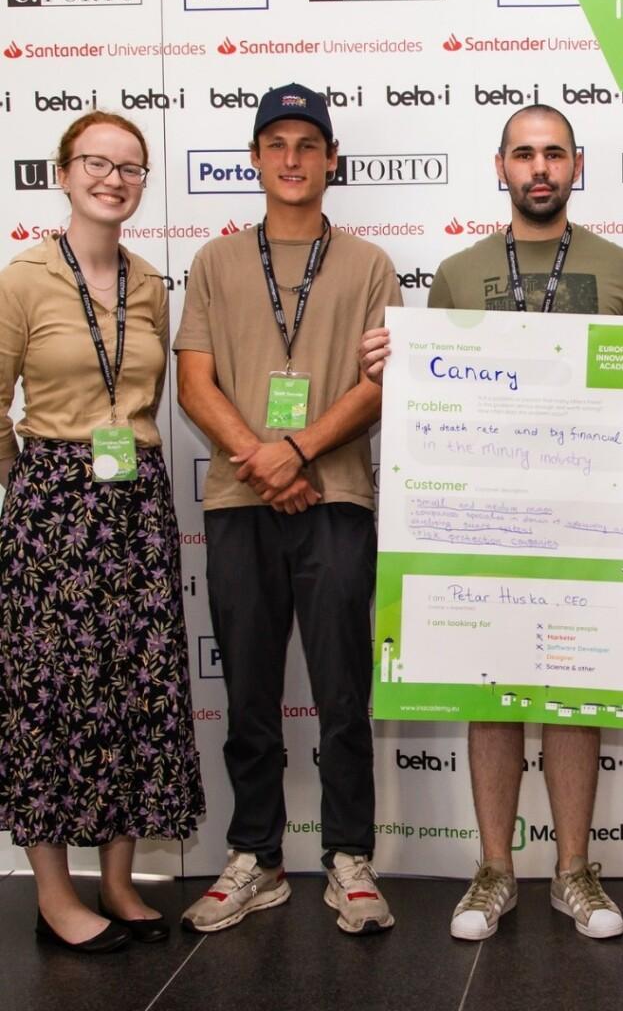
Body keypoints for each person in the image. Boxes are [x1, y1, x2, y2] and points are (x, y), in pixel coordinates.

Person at [359, 104, 623, 942]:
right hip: (483, 519)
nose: (539, 168)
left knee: (577, 692)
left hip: (589, 521)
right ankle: (493, 870)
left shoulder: (619, 268)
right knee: (491, 689)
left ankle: (574, 872)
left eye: (554, 154)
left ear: (576, 166)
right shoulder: (458, 270)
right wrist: (389, 371)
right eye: (525, 154)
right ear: (500, 167)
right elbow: (431, 393)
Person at [174, 84, 399, 935]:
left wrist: (297, 451)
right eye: (277, 143)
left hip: (336, 497)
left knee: (344, 691)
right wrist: (266, 462)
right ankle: (256, 858)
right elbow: (196, 382)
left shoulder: (371, 264)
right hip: (239, 498)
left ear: (332, 159)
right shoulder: (214, 262)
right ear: (257, 158)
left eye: (309, 143)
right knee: (249, 693)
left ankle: (349, 857)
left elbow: (382, 383)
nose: (293, 158)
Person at [0, 111, 204, 953]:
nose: (113, 179)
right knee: (51, 699)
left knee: (137, 691)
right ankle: (55, 896)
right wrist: (35, 482)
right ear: (63, 172)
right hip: (54, 512)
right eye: (96, 163)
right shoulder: (23, 280)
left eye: (130, 167)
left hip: (137, 508)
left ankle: (118, 880)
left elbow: (146, 403)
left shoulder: (151, 282)